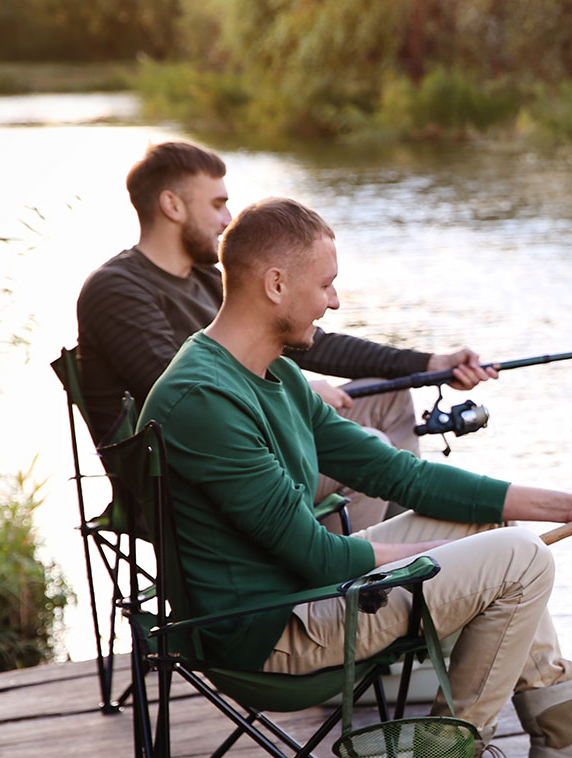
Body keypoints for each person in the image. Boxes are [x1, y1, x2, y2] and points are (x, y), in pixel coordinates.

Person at [138, 196, 572, 758]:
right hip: (275, 633)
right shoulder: (205, 398)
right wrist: (443, 563)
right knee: (520, 560)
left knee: (493, 537)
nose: (332, 303)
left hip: (301, 599)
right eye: (325, 284)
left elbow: (405, 479)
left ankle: (565, 747)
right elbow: (318, 556)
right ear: (275, 283)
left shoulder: (272, 373)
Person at [76, 140, 493, 531]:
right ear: (172, 205)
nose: (227, 220)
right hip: (194, 477)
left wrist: (428, 364)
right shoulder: (116, 289)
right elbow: (175, 391)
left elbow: (312, 342)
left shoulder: (205, 277)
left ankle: (402, 555)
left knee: (389, 395)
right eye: (218, 204)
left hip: (257, 433)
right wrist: (304, 393)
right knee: (371, 447)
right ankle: (348, 589)